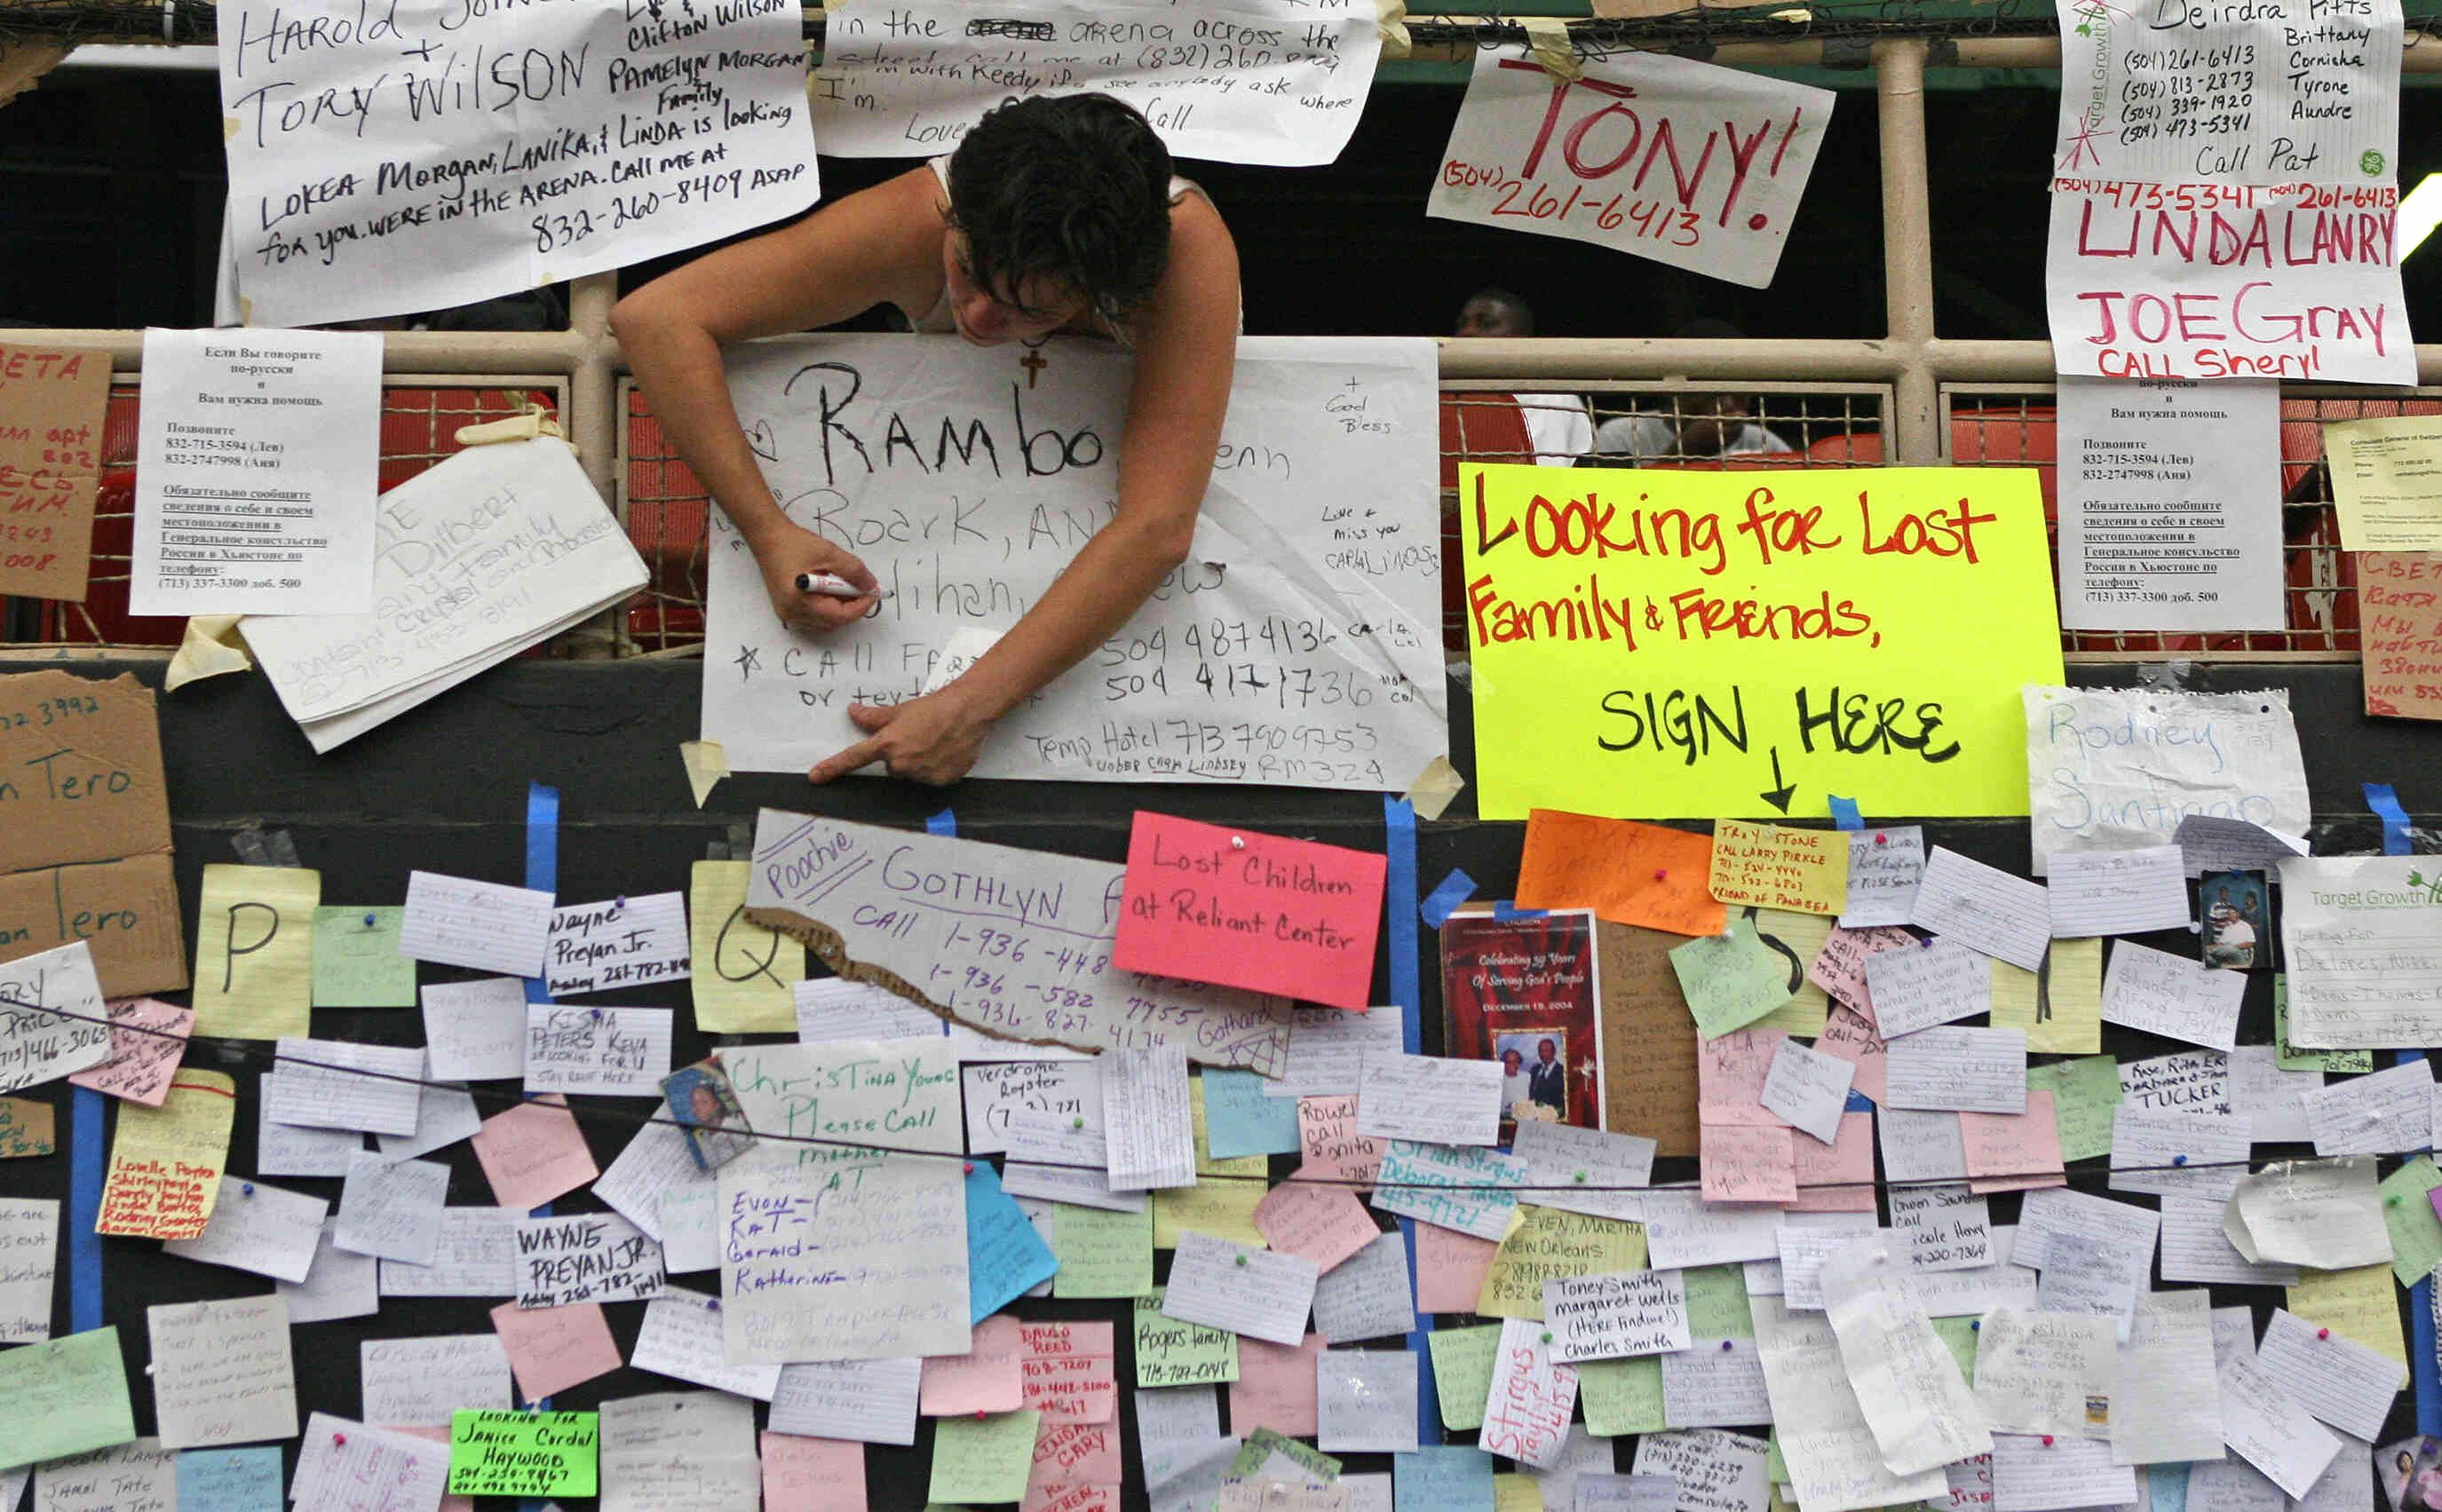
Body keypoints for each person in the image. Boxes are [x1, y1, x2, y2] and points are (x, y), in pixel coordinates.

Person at [614, 94, 1241, 787]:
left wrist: (968, 708)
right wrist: (768, 532)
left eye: (1028, 309)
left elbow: (1156, 523)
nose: (976, 314)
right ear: (952, 214)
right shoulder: (913, 218)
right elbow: (656, 318)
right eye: (967, 270)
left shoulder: (1187, 251)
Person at [1591, 319, 1795, 463]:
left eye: (1739, 391)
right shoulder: (1622, 435)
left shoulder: (1762, 442)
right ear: (1677, 388)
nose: (1729, 404)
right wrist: (1683, 452)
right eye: (1714, 390)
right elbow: (1606, 509)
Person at [1452, 289, 1592, 466]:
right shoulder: (1445, 393)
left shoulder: (1552, 397)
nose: (1467, 332)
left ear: (1522, 337)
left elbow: (1549, 478)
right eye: (1462, 324)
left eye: (1486, 323)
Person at [1527, 1037, 1568, 1115]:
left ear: (1554, 1052)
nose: (1544, 1054)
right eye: (1541, 1051)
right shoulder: (1535, 1070)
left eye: (1547, 1050)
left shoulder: (1563, 1071)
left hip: (1556, 1116)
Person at [1500, 1047, 1531, 1114]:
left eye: (1516, 1061)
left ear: (1519, 1063)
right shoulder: (1499, 1079)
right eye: (1509, 1062)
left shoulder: (1527, 1076)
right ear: (1503, 1063)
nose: (1513, 1064)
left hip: (1526, 1116)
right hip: (1505, 1118)